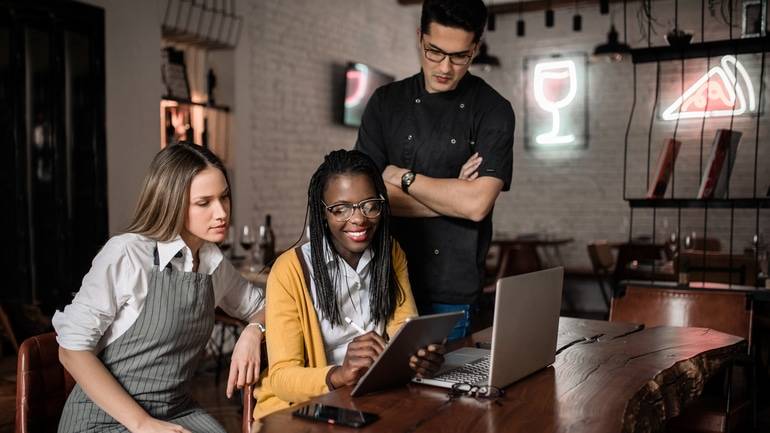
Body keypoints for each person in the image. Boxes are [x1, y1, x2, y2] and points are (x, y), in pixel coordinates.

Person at [53, 143, 265, 433]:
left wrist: (253, 332)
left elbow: (263, 308)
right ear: (171, 202)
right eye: (204, 203)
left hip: (176, 410)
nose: (221, 213)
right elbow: (71, 351)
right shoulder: (127, 254)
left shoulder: (213, 262)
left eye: (224, 197)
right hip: (105, 418)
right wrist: (142, 424)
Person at [355, 0, 514, 340]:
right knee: (376, 391)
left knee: (445, 392)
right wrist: (451, 195)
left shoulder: (494, 110)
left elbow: (476, 206)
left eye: (460, 56)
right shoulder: (384, 103)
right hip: (381, 281)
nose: (445, 67)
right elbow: (365, 200)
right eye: (434, 52)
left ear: (476, 48)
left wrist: (401, 177)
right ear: (420, 37)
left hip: (451, 291)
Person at [254, 149, 444, 419]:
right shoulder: (290, 270)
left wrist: (417, 358)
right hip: (298, 411)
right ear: (323, 213)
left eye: (369, 204)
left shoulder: (391, 253)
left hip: (369, 397)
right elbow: (282, 379)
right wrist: (339, 374)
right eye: (340, 209)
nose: (358, 219)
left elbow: (404, 329)